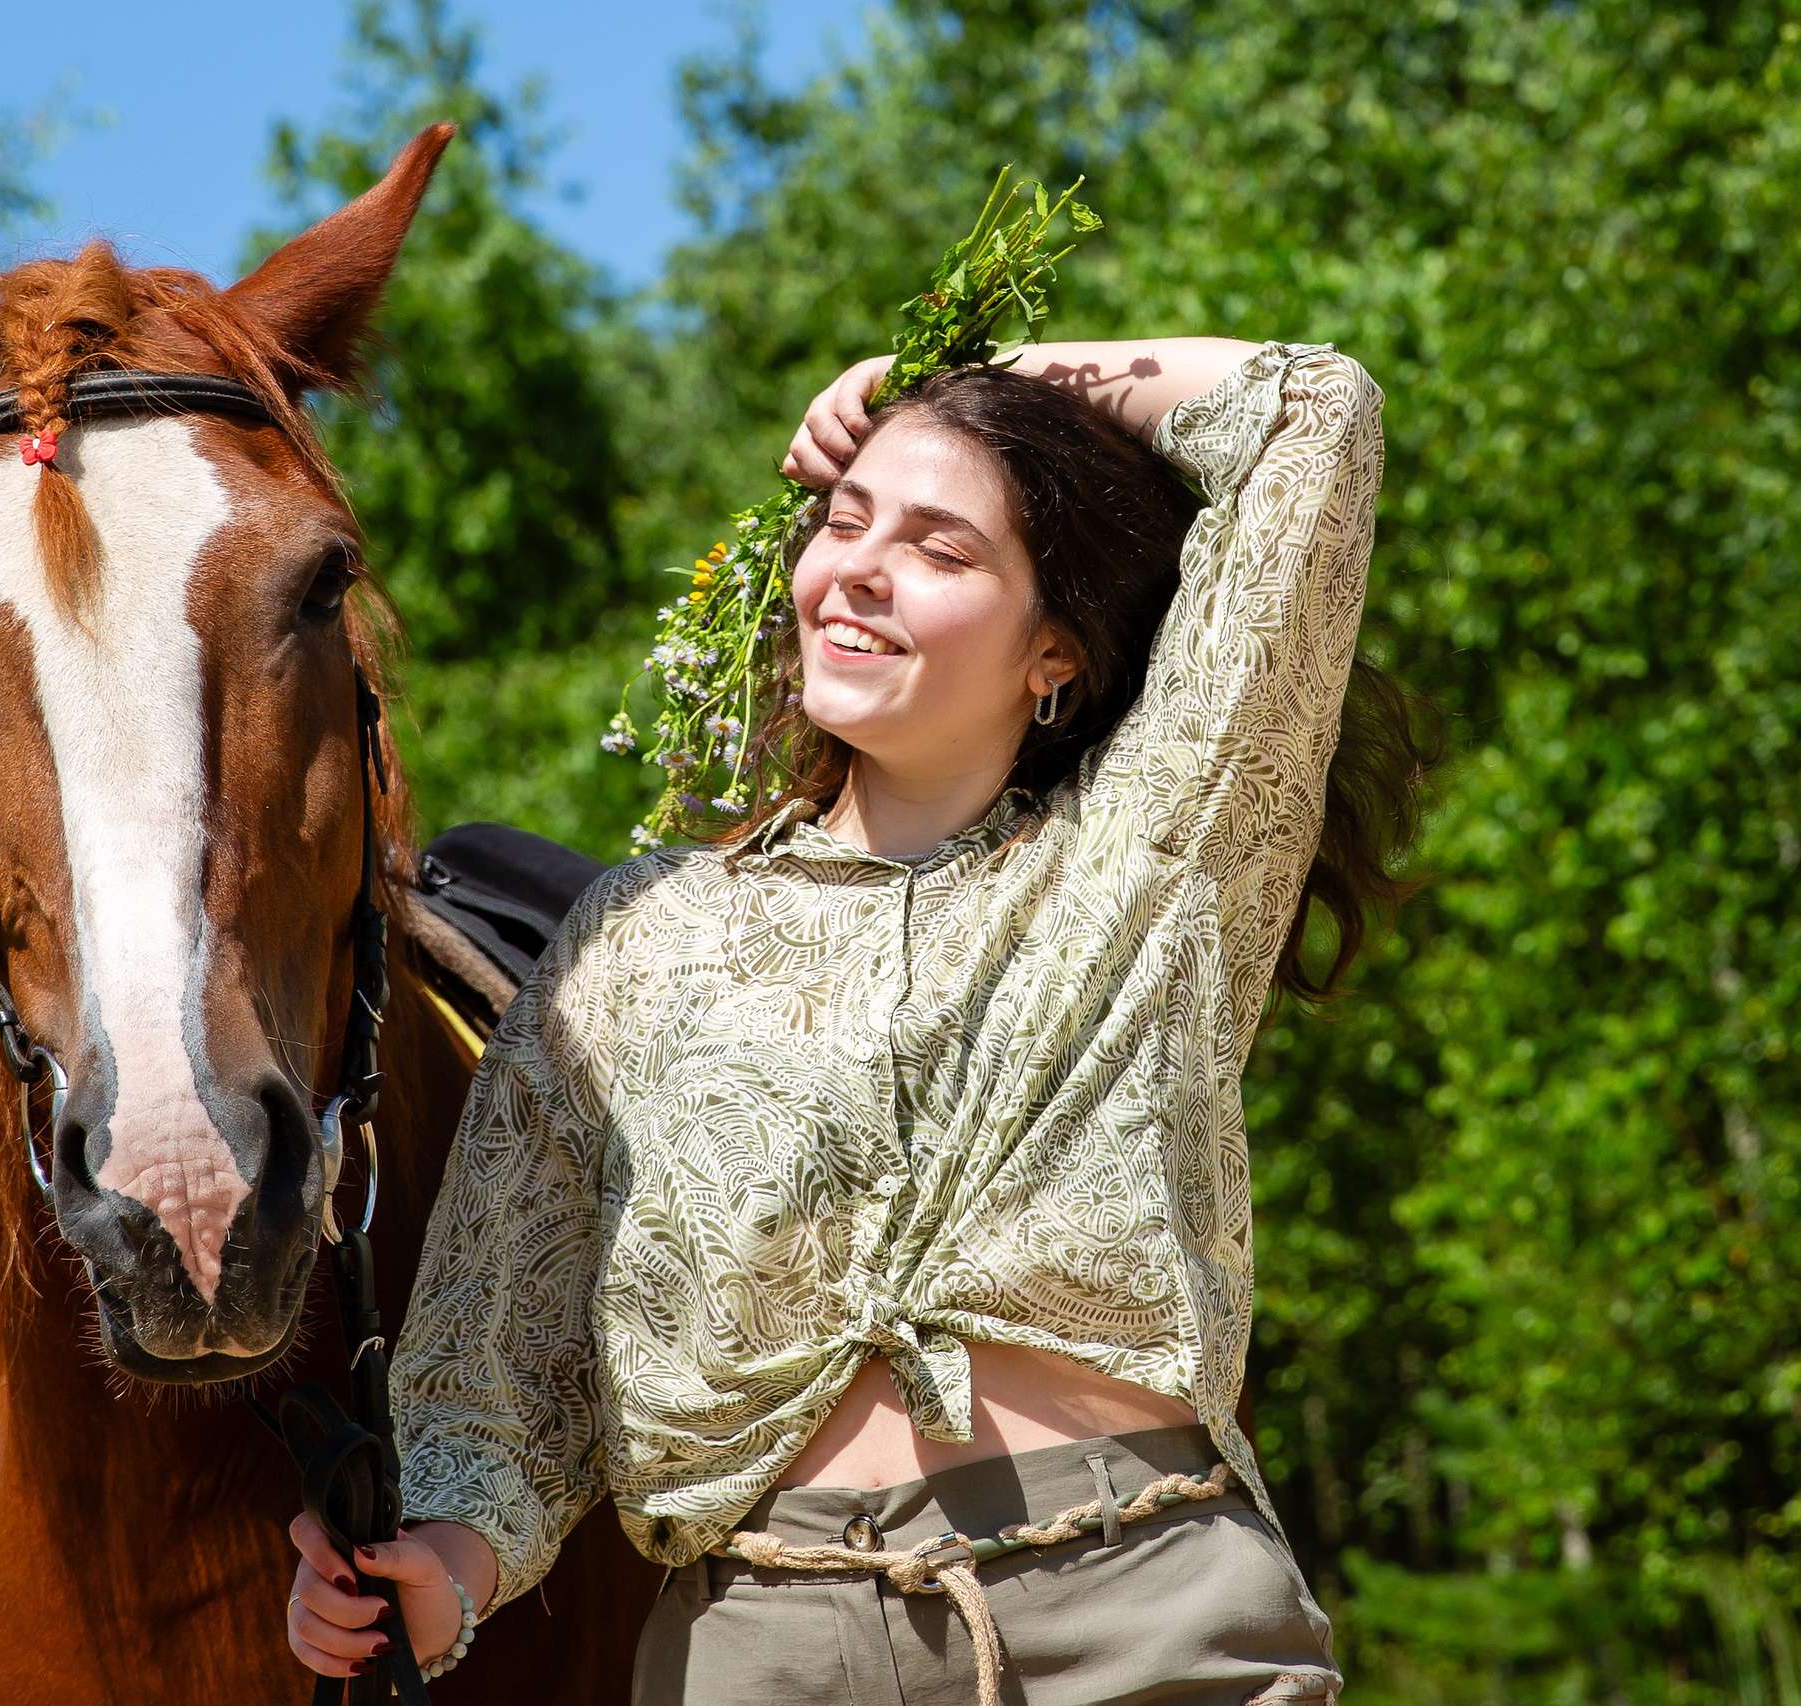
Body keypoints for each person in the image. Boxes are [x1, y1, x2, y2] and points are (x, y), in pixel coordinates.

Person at [286, 334, 1432, 1704]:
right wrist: (448, 1569)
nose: (860, 570)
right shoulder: (637, 938)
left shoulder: (1163, 853)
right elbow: (500, 1365)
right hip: (761, 1651)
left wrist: (958, 362)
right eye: (843, 522)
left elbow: (1314, 410)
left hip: (1138, 1621)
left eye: (943, 550)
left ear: (1052, 651)